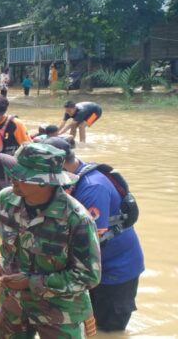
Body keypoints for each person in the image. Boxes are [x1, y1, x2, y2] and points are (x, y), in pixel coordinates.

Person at [0, 143, 101, 338]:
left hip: (59, 311)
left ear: (43, 182)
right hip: (12, 305)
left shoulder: (76, 219)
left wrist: (32, 282)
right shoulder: (4, 200)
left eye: (21, 176)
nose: (11, 178)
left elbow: (88, 276)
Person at [42, 137, 144, 332]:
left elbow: (91, 240)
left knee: (108, 330)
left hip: (114, 271)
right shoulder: (70, 180)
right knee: (88, 328)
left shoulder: (92, 187)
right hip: (94, 269)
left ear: (58, 164)